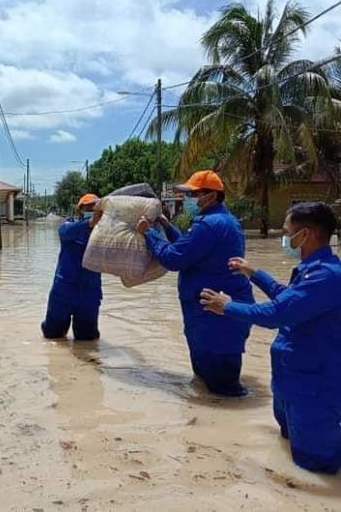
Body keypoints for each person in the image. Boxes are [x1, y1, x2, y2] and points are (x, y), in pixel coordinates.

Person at [201, 202, 341, 474]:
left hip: (314, 387)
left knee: (316, 466)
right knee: (289, 450)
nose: (284, 238)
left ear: (307, 234)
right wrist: (254, 273)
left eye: (287, 232)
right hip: (291, 378)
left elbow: (277, 314)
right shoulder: (311, 269)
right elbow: (287, 297)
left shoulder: (326, 276)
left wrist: (228, 306)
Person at [136, 170, 254, 397]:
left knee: (224, 392)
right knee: (205, 384)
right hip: (210, 315)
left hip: (215, 318)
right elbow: (189, 250)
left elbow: (174, 259)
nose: (189, 199)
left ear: (210, 196)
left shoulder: (209, 225)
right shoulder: (221, 221)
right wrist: (168, 228)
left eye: (193, 194)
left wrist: (149, 233)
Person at [41, 194, 103, 340]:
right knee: (52, 335)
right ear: (80, 210)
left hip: (89, 291)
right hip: (64, 291)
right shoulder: (69, 225)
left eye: (95, 207)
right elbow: (64, 232)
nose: (91, 210)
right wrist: (89, 223)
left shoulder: (104, 232)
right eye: (88, 207)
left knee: (87, 339)